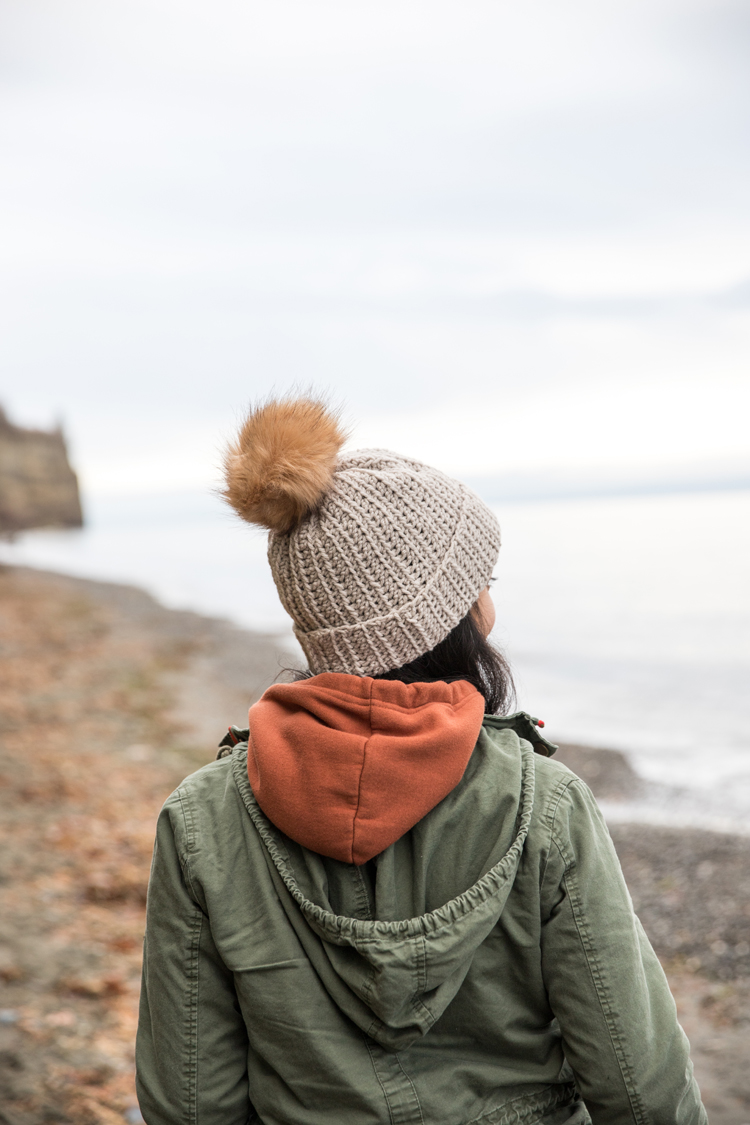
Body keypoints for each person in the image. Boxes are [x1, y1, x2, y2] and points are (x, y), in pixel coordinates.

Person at [135, 397, 706, 1125]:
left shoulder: (201, 817)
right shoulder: (545, 801)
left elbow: (188, 1100)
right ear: (443, 612)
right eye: (482, 577)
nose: (490, 600)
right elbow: (640, 1085)